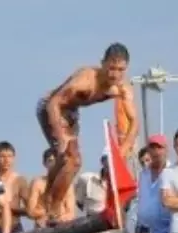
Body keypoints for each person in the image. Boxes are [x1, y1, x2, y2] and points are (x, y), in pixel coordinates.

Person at [36, 42, 139, 214]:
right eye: (111, 68)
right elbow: (54, 103)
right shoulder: (85, 80)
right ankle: (54, 208)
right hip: (51, 107)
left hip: (71, 112)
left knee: (67, 160)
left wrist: (124, 149)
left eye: (121, 70)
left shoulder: (122, 88)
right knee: (72, 159)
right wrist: (61, 138)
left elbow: (134, 122)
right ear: (102, 63)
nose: (115, 74)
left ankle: (47, 196)